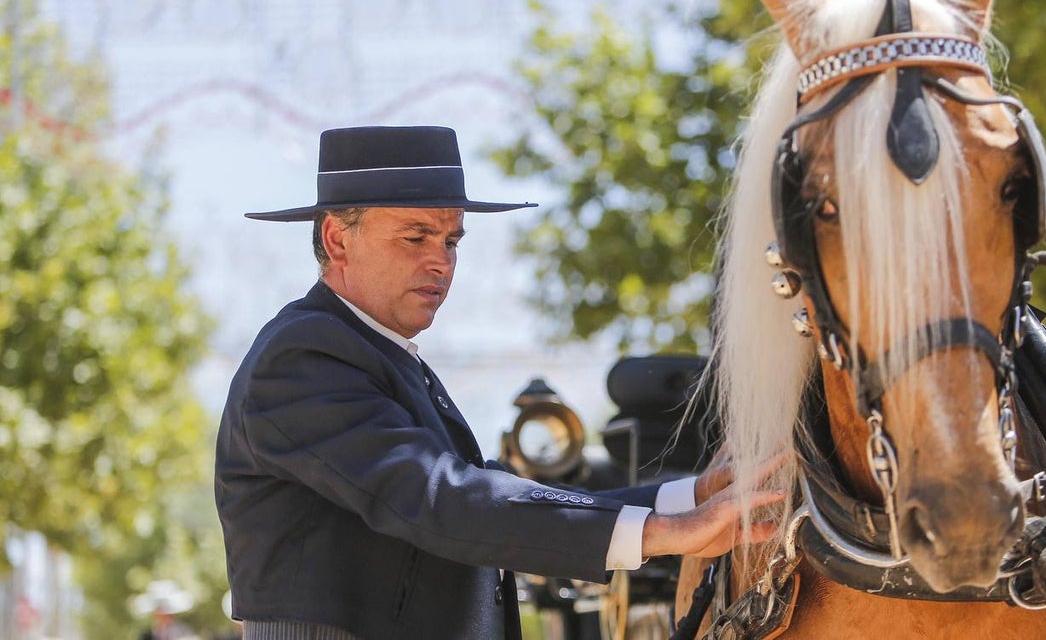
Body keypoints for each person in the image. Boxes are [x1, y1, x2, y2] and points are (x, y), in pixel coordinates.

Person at [214, 125, 781, 640]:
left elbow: (484, 494)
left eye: (452, 241)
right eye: (416, 237)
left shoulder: (375, 355)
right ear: (337, 239)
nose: (442, 262)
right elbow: (443, 500)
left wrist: (689, 495)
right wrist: (663, 532)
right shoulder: (302, 357)